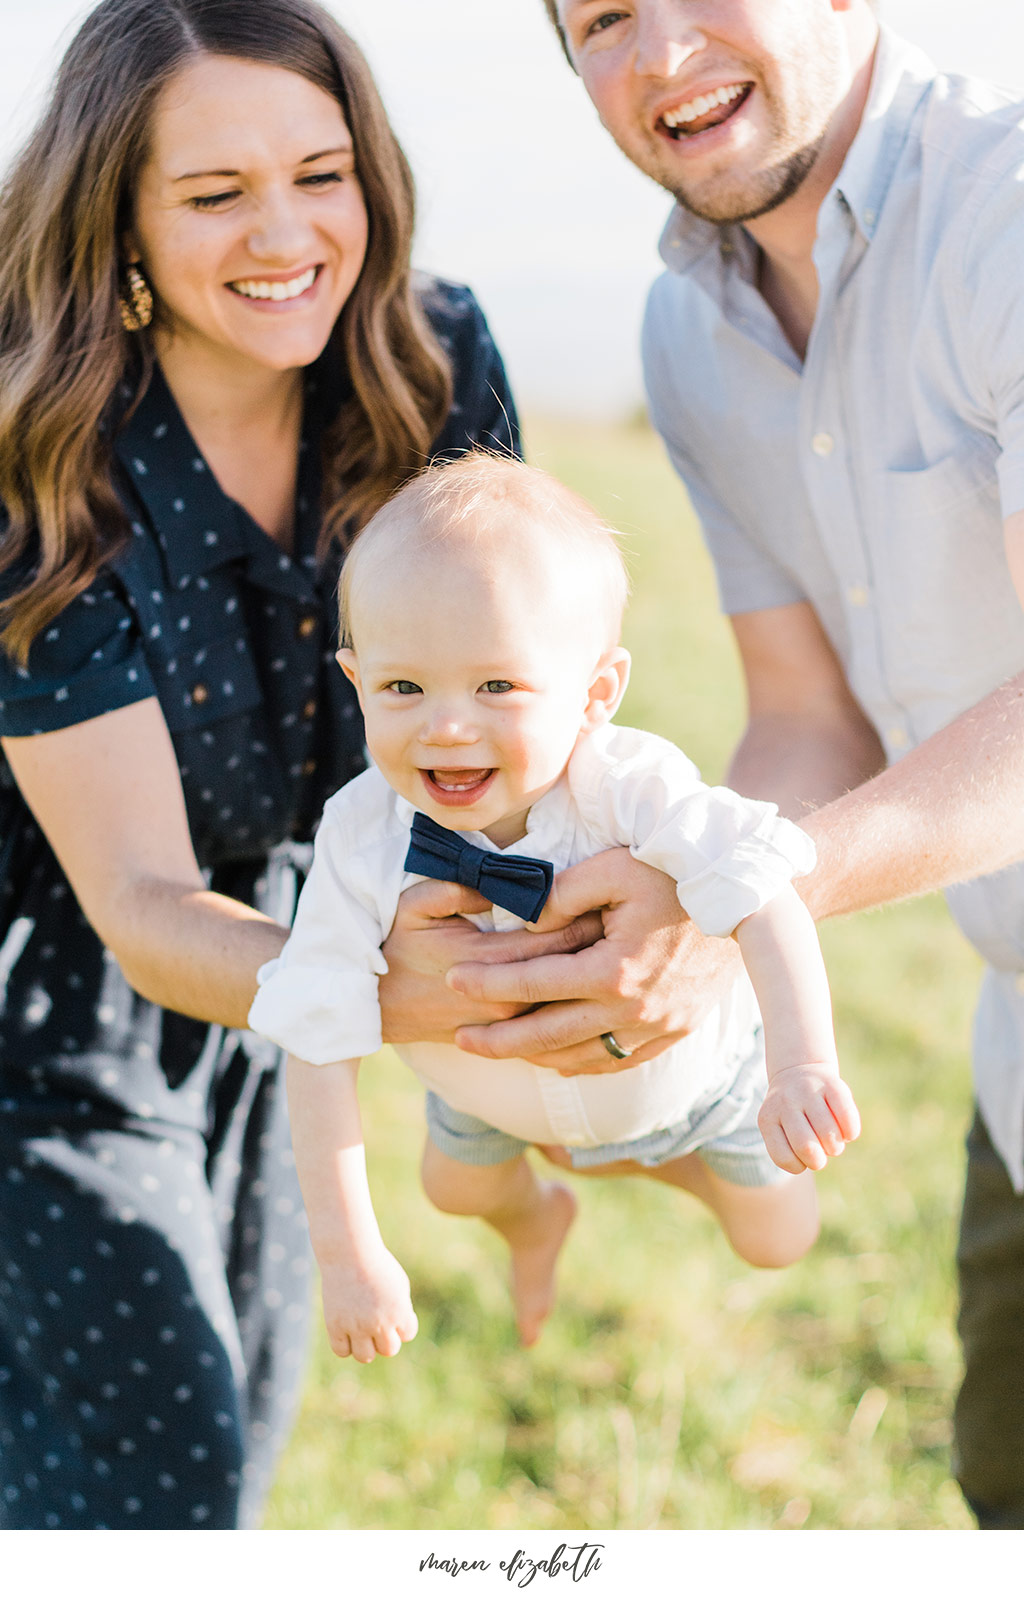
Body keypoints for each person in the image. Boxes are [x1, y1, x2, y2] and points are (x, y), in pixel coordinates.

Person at [0, 0, 523, 1530]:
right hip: (54, 1020)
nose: (286, 232)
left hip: (294, 984)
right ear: (121, 226)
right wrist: (415, 990)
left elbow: (522, 708)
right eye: (215, 193)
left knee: (235, 1428)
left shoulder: (435, 366)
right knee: (164, 1491)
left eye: (322, 171)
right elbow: (142, 895)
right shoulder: (41, 456)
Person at [528, 0, 1024, 1532]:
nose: (663, 52)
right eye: (605, 18)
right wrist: (675, 900)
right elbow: (806, 712)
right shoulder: (688, 330)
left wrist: (740, 900)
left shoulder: (1004, 219)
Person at [249, 453, 859, 1357]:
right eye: (403, 687)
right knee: (453, 1189)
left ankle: (650, 1155)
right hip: (486, 1093)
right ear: (356, 682)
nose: (447, 725)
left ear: (595, 694)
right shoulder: (359, 833)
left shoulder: (627, 784)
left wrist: (802, 1067)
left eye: (497, 685)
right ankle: (540, 1214)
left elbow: (765, 893)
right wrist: (349, 1257)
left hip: (687, 1085)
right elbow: (315, 1043)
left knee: (778, 1240)